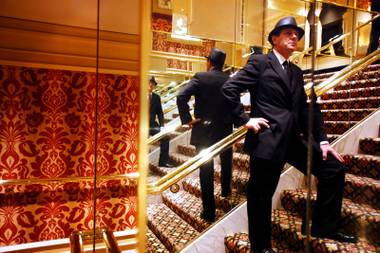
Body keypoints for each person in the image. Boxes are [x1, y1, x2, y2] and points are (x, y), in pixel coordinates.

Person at [222, 17, 357, 253]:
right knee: (261, 196)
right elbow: (229, 88)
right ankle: (261, 247)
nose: (294, 36)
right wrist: (245, 120)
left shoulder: (296, 71)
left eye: (296, 34)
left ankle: (323, 227)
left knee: (333, 169)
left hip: (294, 140)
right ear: (274, 39)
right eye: (287, 33)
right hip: (267, 140)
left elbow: (306, 108)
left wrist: (323, 141)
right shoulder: (260, 62)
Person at [177, 48, 233, 222]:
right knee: (227, 160)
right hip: (224, 129)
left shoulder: (200, 77)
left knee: (206, 170)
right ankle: (225, 191)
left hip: (203, 130)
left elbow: (181, 96)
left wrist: (187, 118)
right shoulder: (229, 79)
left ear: (209, 62)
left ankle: (209, 212)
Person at [149, 76, 172, 168]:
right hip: (140, 126)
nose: (151, 85)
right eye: (149, 82)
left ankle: (163, 162)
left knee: (166, 137)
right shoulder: (139, 95)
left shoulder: (156, 97)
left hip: (152, 125)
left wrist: (162, 126)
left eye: (153, 83)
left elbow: (160, 113)